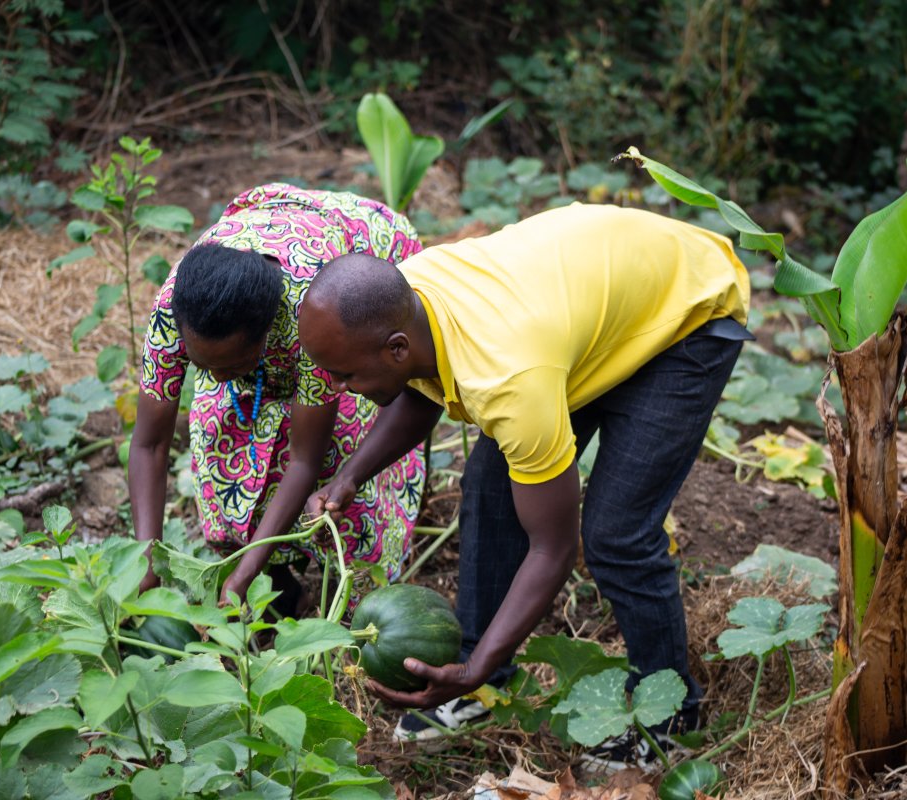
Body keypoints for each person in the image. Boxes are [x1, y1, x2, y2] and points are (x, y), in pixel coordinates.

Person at [298, 202, 752, 770]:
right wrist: (348, 477)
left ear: (395, 346)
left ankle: (670, 716)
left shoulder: (508, 380)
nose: (337, 388)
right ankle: (481, 684)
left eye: (344, 375)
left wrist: (477, 664)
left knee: (616, 534)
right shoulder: (411, 298)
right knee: (490, 483)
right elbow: (418, 387)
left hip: (686, 312)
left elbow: (553, 549)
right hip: (594, 304)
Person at [129, 183, 426, 612]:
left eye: (229, 366)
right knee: (216, 432)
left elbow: (306, 458)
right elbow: (149, 444)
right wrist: (145, 562)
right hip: (272, 241)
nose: (213, 376)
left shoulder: (317, 315)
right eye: (202, 366)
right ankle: (282, 585)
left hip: (365, 257)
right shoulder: (176, 310)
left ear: (267, 336)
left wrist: (242, 576)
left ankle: (350, 591)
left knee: (342, 449)